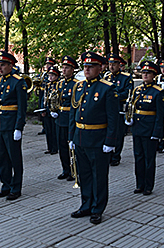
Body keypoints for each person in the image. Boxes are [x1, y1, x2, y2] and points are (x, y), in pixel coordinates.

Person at [69, 52, 118, 224]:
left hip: (98, 139)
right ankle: (86, 205)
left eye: (91, 66)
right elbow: (73, 113)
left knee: (99, 175)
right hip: (81, 137)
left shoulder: (107, 88)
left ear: (100, 68)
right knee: (84, 174)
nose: (87, 69)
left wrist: (110, 141)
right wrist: (71, 137)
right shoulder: (79, 86)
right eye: (85, 66)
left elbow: (113, 119)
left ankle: (98, 208)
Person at [125, 61, 164, 195]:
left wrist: (157, 132)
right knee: (138, 157)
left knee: (149, 158)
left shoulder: (158, 92)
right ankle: (139, 184)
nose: (145, 75)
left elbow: (160, 114)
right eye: (143, 73)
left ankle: (148, 185)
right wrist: (129, 118)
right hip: (138, 128)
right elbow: (132, 106)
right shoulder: (137, 90)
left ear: (154, 75)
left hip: (149, 129)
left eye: (148, 73)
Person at [0, 51, 27, 201]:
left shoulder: (18, 82)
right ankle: (5, 184)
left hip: (12, 124)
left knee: (14, 157)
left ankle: (16, 187)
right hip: (0, 124)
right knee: (1, 157)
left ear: (10, 65)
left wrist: (19, 127)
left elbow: (22, 107)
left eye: (2, 65)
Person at [104, 53, 133, 166]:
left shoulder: (126, 77)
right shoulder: (107, 77)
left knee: (119, 134)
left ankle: (116, 156)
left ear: (119, 65)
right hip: (108, 110)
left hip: (120, 109)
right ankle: (109, 154)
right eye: (110, 64)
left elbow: (128, 93)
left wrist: (114, 96)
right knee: (109, 131)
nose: (111, 66)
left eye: (114, 64)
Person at [53, 55, 79, 181]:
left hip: (70, 117)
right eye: (63, 67)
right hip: (60, 117)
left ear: (73, 69)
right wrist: (53, 110)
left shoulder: (76, 84)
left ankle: (74, 170)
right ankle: (65, 169)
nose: (64, 70)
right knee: (61, 146)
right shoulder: (59, 84)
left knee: (71, 145)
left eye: (67, 68)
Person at [42, 66, 60, 155]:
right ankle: (49, 147)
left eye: (52, 75)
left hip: (54, 111)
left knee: (54, 130)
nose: (50, 77)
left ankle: (55, 148)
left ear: (56, 76)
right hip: (48, 110)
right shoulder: (48, 85)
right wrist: (43, 109)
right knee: (48, 130)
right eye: (49, 75)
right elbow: (44, 98)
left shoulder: (58, 85)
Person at [38, 57, 56, 135]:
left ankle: (47, 127)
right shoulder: (44, 74)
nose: (47, 66)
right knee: (41, 108)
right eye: (47, 64)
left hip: (48, 92)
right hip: (43, 92)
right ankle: (44, 126)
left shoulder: (54, 73)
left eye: (49, 64)